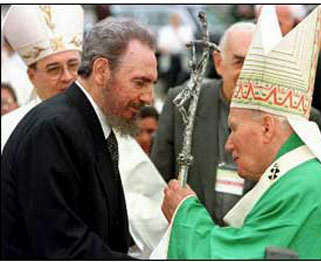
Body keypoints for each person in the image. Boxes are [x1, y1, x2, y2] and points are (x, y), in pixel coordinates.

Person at [159, 6, 321, 259]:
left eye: (233, 128)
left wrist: (184, 212)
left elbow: (237, 255)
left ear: (267, 128)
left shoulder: (303, 187)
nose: (228, 144)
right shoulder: (298, 178)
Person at [1, 16, 158, 259]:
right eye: (139, 82)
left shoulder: (91, 124)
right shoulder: (54, 130)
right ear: (101, 71)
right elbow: (62, 246)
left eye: (152, 84)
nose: (148, 97)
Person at [151, 21, 257, 225]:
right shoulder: (183, 103)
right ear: (218, 63)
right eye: (239, 62)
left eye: (256, 62)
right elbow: (157, 184)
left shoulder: (289, 120)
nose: (248, 72)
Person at [1, 5, 84, 152]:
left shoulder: (101, 120)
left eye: (73, 65)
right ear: (32, 76)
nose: (67, 77)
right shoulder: (8, 129)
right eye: (54, 69)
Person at [157, 12, 193, 89]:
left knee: (184, 68)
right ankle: (168, 88)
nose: (176, 21)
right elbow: (161, 46)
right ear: (170, 20)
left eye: (177, 19)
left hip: (182, 55)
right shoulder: (164, 30)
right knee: (168, 69)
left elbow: (189, 44)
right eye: (174, 19)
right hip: (169, 55)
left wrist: (178, 36)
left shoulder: (186, 30)